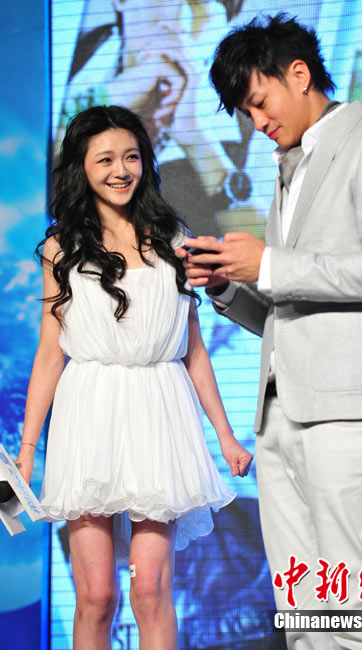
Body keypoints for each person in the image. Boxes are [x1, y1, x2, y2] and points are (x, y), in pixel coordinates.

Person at [175, 13, 362, 650]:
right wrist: (228, 286)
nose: (257, 121)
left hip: (347, 407)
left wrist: (270, 264)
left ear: (299, 72)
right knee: (304, 615)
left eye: (260, 102)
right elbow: (288, 312)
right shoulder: (288, 167)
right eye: (246, 113)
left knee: (354, 612)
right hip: (280, 414)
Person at [15, 104, 252, 650]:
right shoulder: (60, 248)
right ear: (81, 167)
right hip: (88, 412)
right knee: (96, 596)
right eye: (105, 159)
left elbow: (193, 349)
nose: (121, 170)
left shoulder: (173, 238)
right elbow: (50, 353)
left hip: (158, 411)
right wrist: (27, 450)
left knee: (150, 591)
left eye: (131, 157)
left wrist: (225, 436)